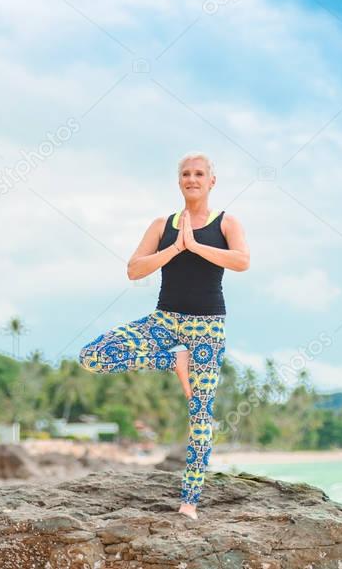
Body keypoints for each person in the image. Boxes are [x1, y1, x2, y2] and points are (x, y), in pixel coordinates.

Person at [77, 152, 250, 520]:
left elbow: (242, 260)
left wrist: (196, 246)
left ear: (211, 181)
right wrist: (174, 247)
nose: (192, 178)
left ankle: (189, 501)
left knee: (201, 413)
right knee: (93, 356)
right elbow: (134, 270)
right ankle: (173, 359)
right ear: (179, 181)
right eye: (186, 173)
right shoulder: (162, 225)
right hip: (164, 319)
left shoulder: (226, 223)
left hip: (207, 325)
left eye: (199, 173)